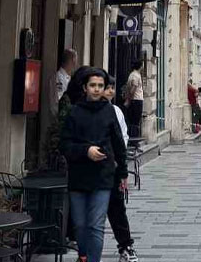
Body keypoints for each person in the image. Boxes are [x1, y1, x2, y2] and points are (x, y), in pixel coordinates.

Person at [61, 67, 128, 262]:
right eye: (93, 85)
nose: (97, 89)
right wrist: (86, 151)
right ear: (85, 87)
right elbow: (64, 145)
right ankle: (83, 256)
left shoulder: (109, 111)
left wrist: (123, 173)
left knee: (96, 226)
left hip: (103, 176)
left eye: (100, 85)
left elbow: (118, 144)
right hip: (79, 176)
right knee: (80, 225)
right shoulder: (74, 112)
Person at [102, 74, 139, 262]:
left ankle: (126, 246)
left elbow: (123, 137)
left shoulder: (116, 111)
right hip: (93, 171)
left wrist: (119, 163)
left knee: (117, 209)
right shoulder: (83, 112)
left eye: (112, 88)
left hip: (113, 169)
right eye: (106, 88)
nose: (110, 91)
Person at [123, 60, 144, 140]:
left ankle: (133, 138)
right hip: (136, 99)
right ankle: (134, 139)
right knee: (135, 120)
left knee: (133, 120)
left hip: (135, 99)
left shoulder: (133, 74)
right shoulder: (135, 75)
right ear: (140, 66)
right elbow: (133, 89)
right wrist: (129, 99)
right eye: (142, 65)